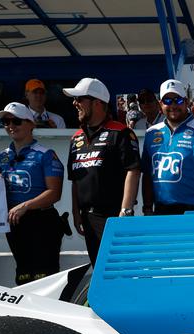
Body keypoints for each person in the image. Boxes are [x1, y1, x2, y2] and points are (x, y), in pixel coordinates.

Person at [64, 77, 140, 264]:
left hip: (113, 216)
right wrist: (76, 212)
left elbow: (133, 170)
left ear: (97, 103)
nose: (75, 103)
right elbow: (76, 179)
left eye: (79, 99)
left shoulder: (120, 133)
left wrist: (125, 211)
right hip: (87, 217)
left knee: (118, 270)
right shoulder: (76, 138)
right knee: (98, 268)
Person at [0, 102, 65, 283]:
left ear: (31, 124)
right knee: (23, 276)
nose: (11, 126)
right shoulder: (1, 157)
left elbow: (54, 193)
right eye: (6, 122)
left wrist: (25, 206)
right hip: (15, 223)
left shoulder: (46, 154)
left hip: (42, 221)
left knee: (44, 277)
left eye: (16, 121)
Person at [140, 79, 194, 216]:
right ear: (160, 104)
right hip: (161, 210)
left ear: (186, 102)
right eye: (167, 101)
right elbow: (147, 174)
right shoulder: (151, 133)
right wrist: (147, 207)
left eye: (177, 100)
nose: (173, 105)